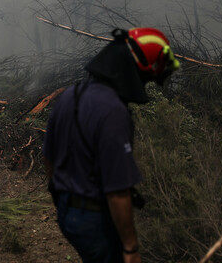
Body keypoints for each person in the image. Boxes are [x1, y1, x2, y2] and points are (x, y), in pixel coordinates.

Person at [43, 27, 180, 263]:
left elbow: (49, 158)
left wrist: (62, 199)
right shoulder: (113, 112)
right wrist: (130, 248)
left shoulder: (71, 95)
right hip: (95, 219)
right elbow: (117, 192)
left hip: (68, 214)